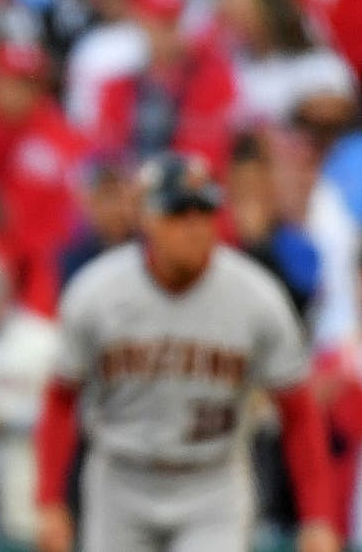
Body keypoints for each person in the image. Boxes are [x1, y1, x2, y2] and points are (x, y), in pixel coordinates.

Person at [33, 150, 340, 552]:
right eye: (178, 213)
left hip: (213, 483)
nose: (194, 226)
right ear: (146, 217)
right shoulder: (96, 292)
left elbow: (298, 412)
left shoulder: (256, 296)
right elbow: (61, 400)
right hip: (121, 480)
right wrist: (49, 502)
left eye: (204, 211)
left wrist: (318, 517)